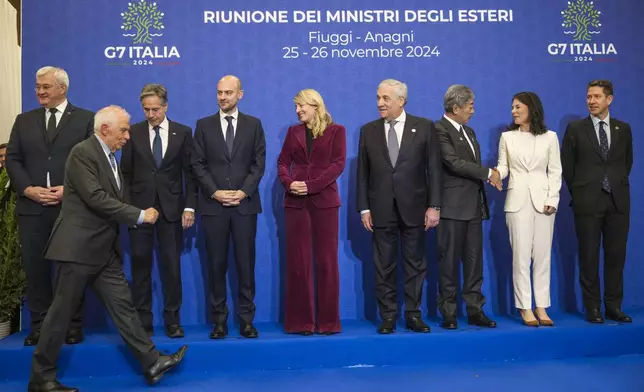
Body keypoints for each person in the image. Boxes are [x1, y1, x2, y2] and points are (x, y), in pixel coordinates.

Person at [28, 106, 187, 392]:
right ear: (105, 129)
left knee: (124, 307)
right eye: (123, 130)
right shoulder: (83, 152)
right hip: (77, 249)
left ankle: (151, 362)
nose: (128, 136)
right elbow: (96, 198)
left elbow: (112, 197)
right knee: (60, 315)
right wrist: (140, 215)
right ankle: (41, 378)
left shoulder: (109, 156)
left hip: (102, 250)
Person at [5, 66, 91, 346]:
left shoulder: (86, 120)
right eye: (37, 87)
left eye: (46, 87)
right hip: (33, 208)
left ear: (62, 88)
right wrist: (28, 189)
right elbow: (13, 159)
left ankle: (71, 325)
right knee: (36, 269)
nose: (40, 92)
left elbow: (92, 163)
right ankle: (40, 326)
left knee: (71, 269)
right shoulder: (24, 120)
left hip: (70, 209)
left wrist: (70, 189)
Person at [357, 79, 442, 334]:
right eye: (378, 98)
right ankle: (388, 316)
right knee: (384, 265)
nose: (379, 103)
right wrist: (364, 208)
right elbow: (363, 173)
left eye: (385, 98)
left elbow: (434, 170)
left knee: (415, 264)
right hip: (380, 208)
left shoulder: (424, 127)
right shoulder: (368, 130)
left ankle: (414, 315)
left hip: (415, 207)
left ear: (401, 101)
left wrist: (434, 205)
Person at [192, 75, 266, 339]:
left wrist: (243, 192)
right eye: (219, 92)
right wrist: (215, 192)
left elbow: (259, 164)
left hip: (244, 207)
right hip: (214, 208)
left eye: (228, 93)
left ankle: (246, 320)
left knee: (246, 265)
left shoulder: (254, 125)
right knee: (216, 265)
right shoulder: (203, 125)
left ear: (240, 95)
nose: (223, 97)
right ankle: (219, 321)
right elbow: (197, 164)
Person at [121, 84, 197, 338]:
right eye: (146, 109)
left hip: (172, 210)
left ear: (165, 107)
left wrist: (189, 206)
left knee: (171, 267)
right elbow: (126, 175)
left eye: (155, 109)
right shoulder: (133, 133)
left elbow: (190, 173)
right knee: (140, 267)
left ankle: (172, 320)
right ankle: (143, 322)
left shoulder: (183, 133)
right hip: (141, 212)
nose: (151, 114)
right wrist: (131, 211)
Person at [561, 80, 633, 324]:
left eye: (597, 97)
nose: (591, 101)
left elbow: (627, 163)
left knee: (615, 256)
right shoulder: (575, 129)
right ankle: (593, 308)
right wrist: (581, 191)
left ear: (609, 99)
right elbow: (567, 168)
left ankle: (614, 306)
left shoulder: (624, 129)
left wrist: (613, 184)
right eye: (589, 96)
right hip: (587, 201)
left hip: (617, 202)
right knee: (588, 256)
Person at [277, 89, 346, 335]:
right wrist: (288, 183)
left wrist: (311, 186)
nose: (297, 111)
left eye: (301, 106)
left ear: (315, 105)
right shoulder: (293, 132)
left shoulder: (337, 131)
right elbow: (283, 162)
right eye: (296, 107)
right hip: (295, 203)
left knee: (327, 262)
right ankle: (301, 323)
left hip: (324, 202)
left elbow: (338, 164)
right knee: (299, 262)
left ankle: (328, 323)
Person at [434, 85, 499, 329]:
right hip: (451, 207)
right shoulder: (438, 130)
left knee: (474, 263)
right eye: (470, 106)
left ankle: (475, 310)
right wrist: (488, 173)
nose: (473, 111)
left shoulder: (469, 131)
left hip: (473, 207)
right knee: (448, 262)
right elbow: (452, 162)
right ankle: (448, 312)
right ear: (456, 108)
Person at [495, 92, 561, 326]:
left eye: (518, 107)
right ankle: (525, 307)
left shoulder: (550, 138)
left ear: (531, 108)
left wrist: (553, 199)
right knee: (520, 257)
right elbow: (503, 166)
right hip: (517, 202)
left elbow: (555, 171)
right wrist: (495, 175)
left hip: (544, 203)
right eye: (512, 107)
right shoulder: (507, 138)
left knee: (543, 256)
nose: (513, 111)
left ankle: (542, 307)